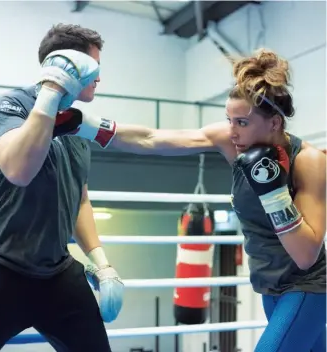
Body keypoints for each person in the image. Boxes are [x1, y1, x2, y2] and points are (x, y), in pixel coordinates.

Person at [58, 48, 326, 351]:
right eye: (229, 120)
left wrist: (274, 193)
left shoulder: (309, 162)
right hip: (269, 286)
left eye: (242, 123)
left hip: (306, 287)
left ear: (274, 123)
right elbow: (152, 138)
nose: (232, 131)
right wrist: (87, 125)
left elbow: (306, 256)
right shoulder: (230, 140)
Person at [0, 23, 124, 352]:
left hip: (56, 272)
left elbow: (81, 199)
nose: (99, 78)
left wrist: (101, 263)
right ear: (68, 65)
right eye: (93, 67)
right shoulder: (10, 105)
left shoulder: (77, 124)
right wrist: (51, 90)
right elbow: (18, 168)